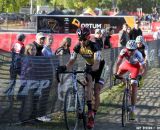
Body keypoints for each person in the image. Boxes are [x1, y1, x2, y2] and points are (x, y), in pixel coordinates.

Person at [57, 27, 106, 129]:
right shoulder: (78, 46)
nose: (82, 41)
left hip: (100, 67)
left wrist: (91, 69)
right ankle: (89, 111)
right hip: (89, 66)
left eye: (84, 39)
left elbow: (97, 64)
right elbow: (71, 61)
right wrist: (64, 67)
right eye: (80, 39)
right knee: (88, 83)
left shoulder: (94, 46)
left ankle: (93, 115)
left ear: (88, 38)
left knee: (96, 91)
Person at [114, 40, 146, 120]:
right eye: (129, 49)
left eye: (132, 50)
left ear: (136, 49)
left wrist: (140, 75)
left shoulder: (138, 54)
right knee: (118, 74)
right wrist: (115, 73)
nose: (130, 51)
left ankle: (132, 110)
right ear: (126, 48)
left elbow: (143, 68)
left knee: (134, 85)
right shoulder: (123, 51)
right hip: (127, 64)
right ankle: (124, 82)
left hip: (135, 67)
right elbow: (118, 63)